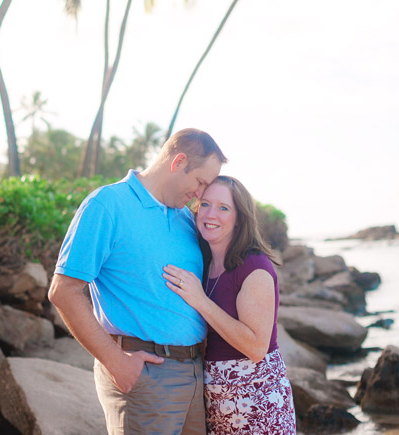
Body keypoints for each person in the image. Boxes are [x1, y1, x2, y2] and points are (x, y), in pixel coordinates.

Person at [48, 128, 226, 434]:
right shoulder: (107, 204)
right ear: (178, 161)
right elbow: (63, 291)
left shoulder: (185, 216)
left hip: (196, 374)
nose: (201, 194)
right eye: (200, 182)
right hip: (146, 375)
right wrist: (115, 362)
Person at [163, 175, 297, 433]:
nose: (211, 214)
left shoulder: (253, 266)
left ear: (239, 219)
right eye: (205, 204)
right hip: (220, 400)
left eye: (224, 208)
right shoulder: (202, 261)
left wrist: (200, 300)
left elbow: (257, 347)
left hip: (259, 401)